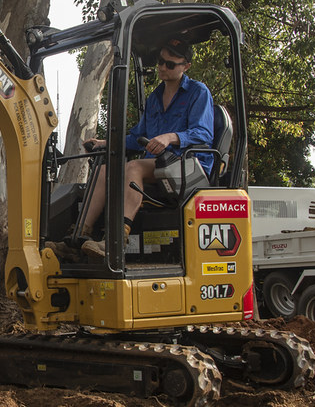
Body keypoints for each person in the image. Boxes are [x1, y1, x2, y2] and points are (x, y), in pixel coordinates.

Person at [79, 38, 214, 258]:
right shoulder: (155, 98)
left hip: (188, 166)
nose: (162, 67)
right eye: (160, 61)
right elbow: (138, 137)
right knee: (103, 171)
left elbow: (204, 134)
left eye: (170, 64)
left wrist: (171, 137)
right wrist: (105, 143)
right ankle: (80, 236)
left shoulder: (198, 93)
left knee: (133, 168)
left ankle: (116, 241)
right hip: (158, 166)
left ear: (186, 66)